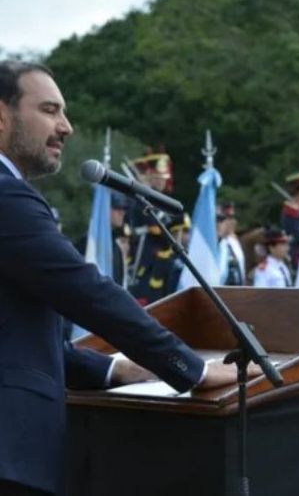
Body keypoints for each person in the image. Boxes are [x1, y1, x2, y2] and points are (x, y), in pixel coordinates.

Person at [0, 61, 249, 495]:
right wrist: (191, 371)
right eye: (49, 109)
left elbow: (16, 339)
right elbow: (87, 292)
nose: (67, 126)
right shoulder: (6, 195)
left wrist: (116, 368)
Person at [127, 150, 183, 305]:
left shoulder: (168, 202)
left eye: (163, 179)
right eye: (157, 178)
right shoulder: (141, 200)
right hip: (146, 258)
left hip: (167, 260)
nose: (161, 182)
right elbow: (155, 229)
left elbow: (178, 231)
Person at [217, 201, 246, 286]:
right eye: (227, 218)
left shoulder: (234, 242)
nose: (232, 221)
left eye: (232, 218)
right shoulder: (213, 244)